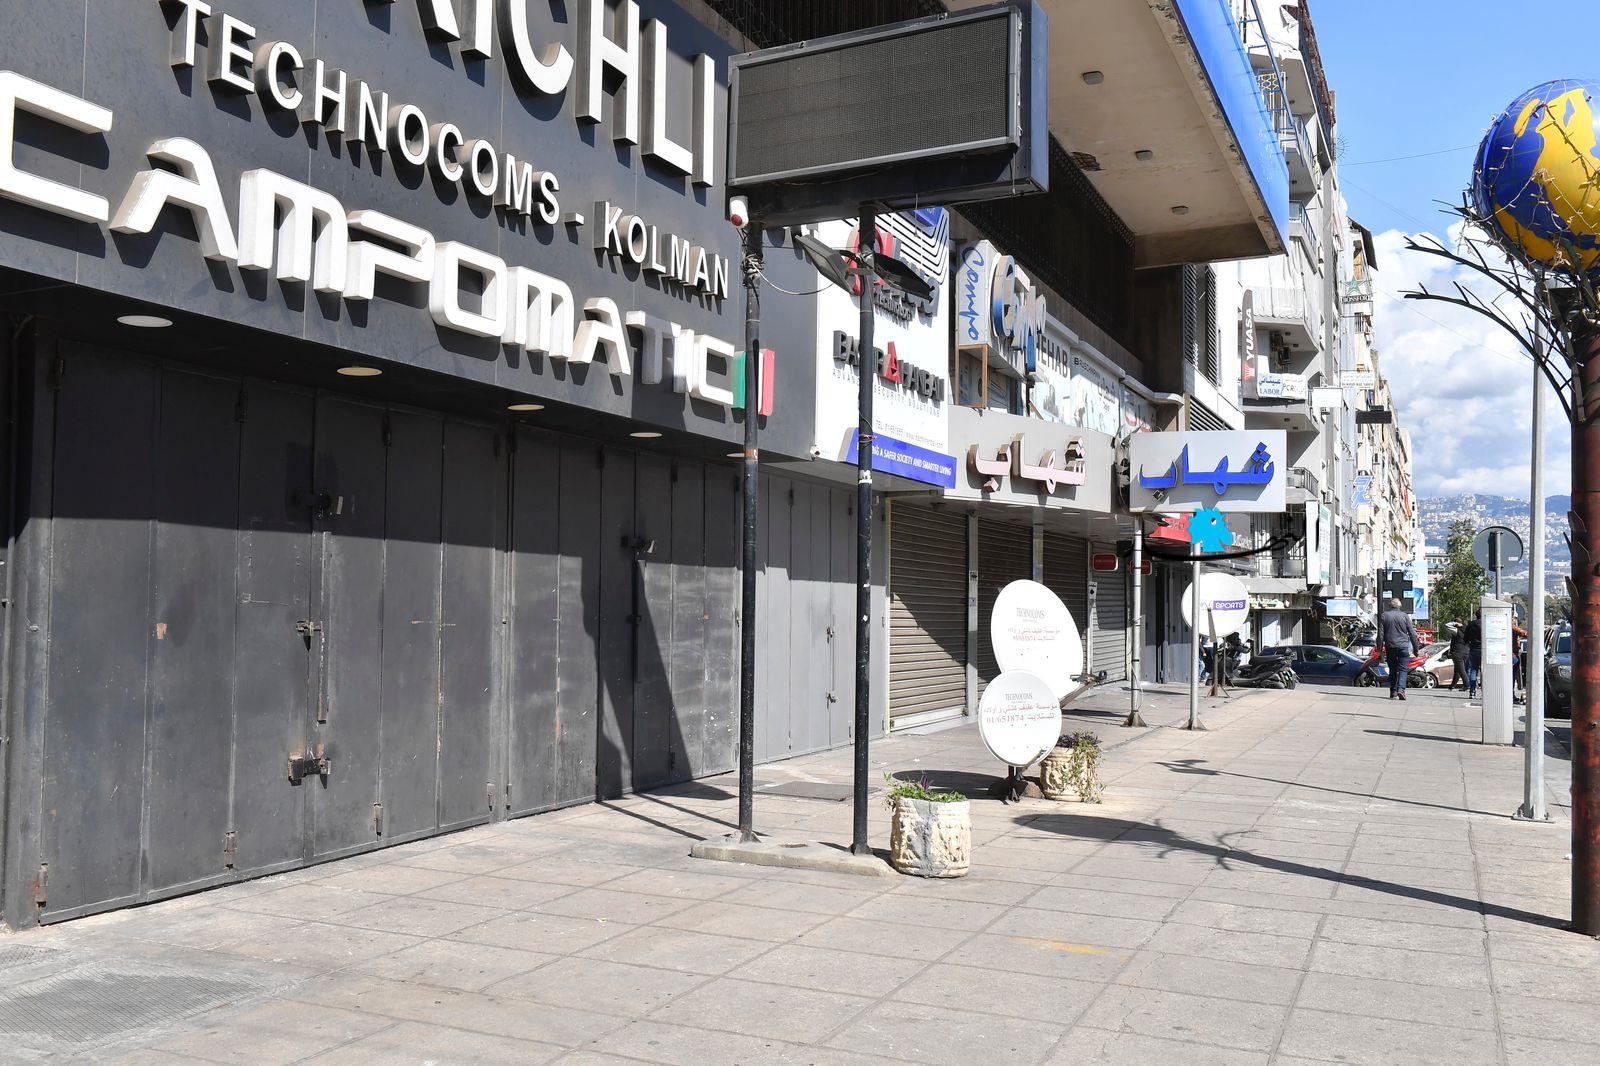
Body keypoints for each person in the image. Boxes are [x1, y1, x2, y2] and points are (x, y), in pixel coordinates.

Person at [1378, 597, 1421, 701]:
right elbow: (1412, 633)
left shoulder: (1384, 616)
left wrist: (1379, 648)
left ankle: (1393, 691)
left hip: (1390, 646)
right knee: (1403, 669)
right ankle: (1401, 690)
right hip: (1403, 646)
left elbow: (1380, 634)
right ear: (1400, 606)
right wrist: (1416, 649)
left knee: (1392, 669)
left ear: (1390, 605)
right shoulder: (1405, 616)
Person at [1463, 611, 1483, 699]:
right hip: (1484, 650)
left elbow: (1465, 639)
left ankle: (1472, 692)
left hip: (1474, 649)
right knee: (1485, 672)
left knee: (1473, 671)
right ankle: (1484, 693)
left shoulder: (1470, 624)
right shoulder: (1486, 623)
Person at [1448, 622, 1470, 691]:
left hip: (1458, 652)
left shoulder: (1457, 631)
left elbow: (1446, 625)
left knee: (1461, 670)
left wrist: (1454, 623)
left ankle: (1467, 685)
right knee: (1458, 669)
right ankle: (1452, 685)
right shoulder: (1467, 631)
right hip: (1466, 652)